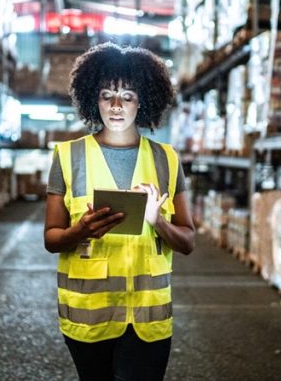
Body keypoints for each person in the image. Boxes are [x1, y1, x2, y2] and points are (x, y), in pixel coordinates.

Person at [44, 42, 195, 381]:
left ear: (143, 101)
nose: (115, 106)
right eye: (106, 95)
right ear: (91, 98)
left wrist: (158, 222)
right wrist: (80, 230)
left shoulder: (166, 159)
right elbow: (52, 239)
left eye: (127, 96)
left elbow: (187, 241)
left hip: (148, 317)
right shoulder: (68, 156)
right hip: (89, 316)